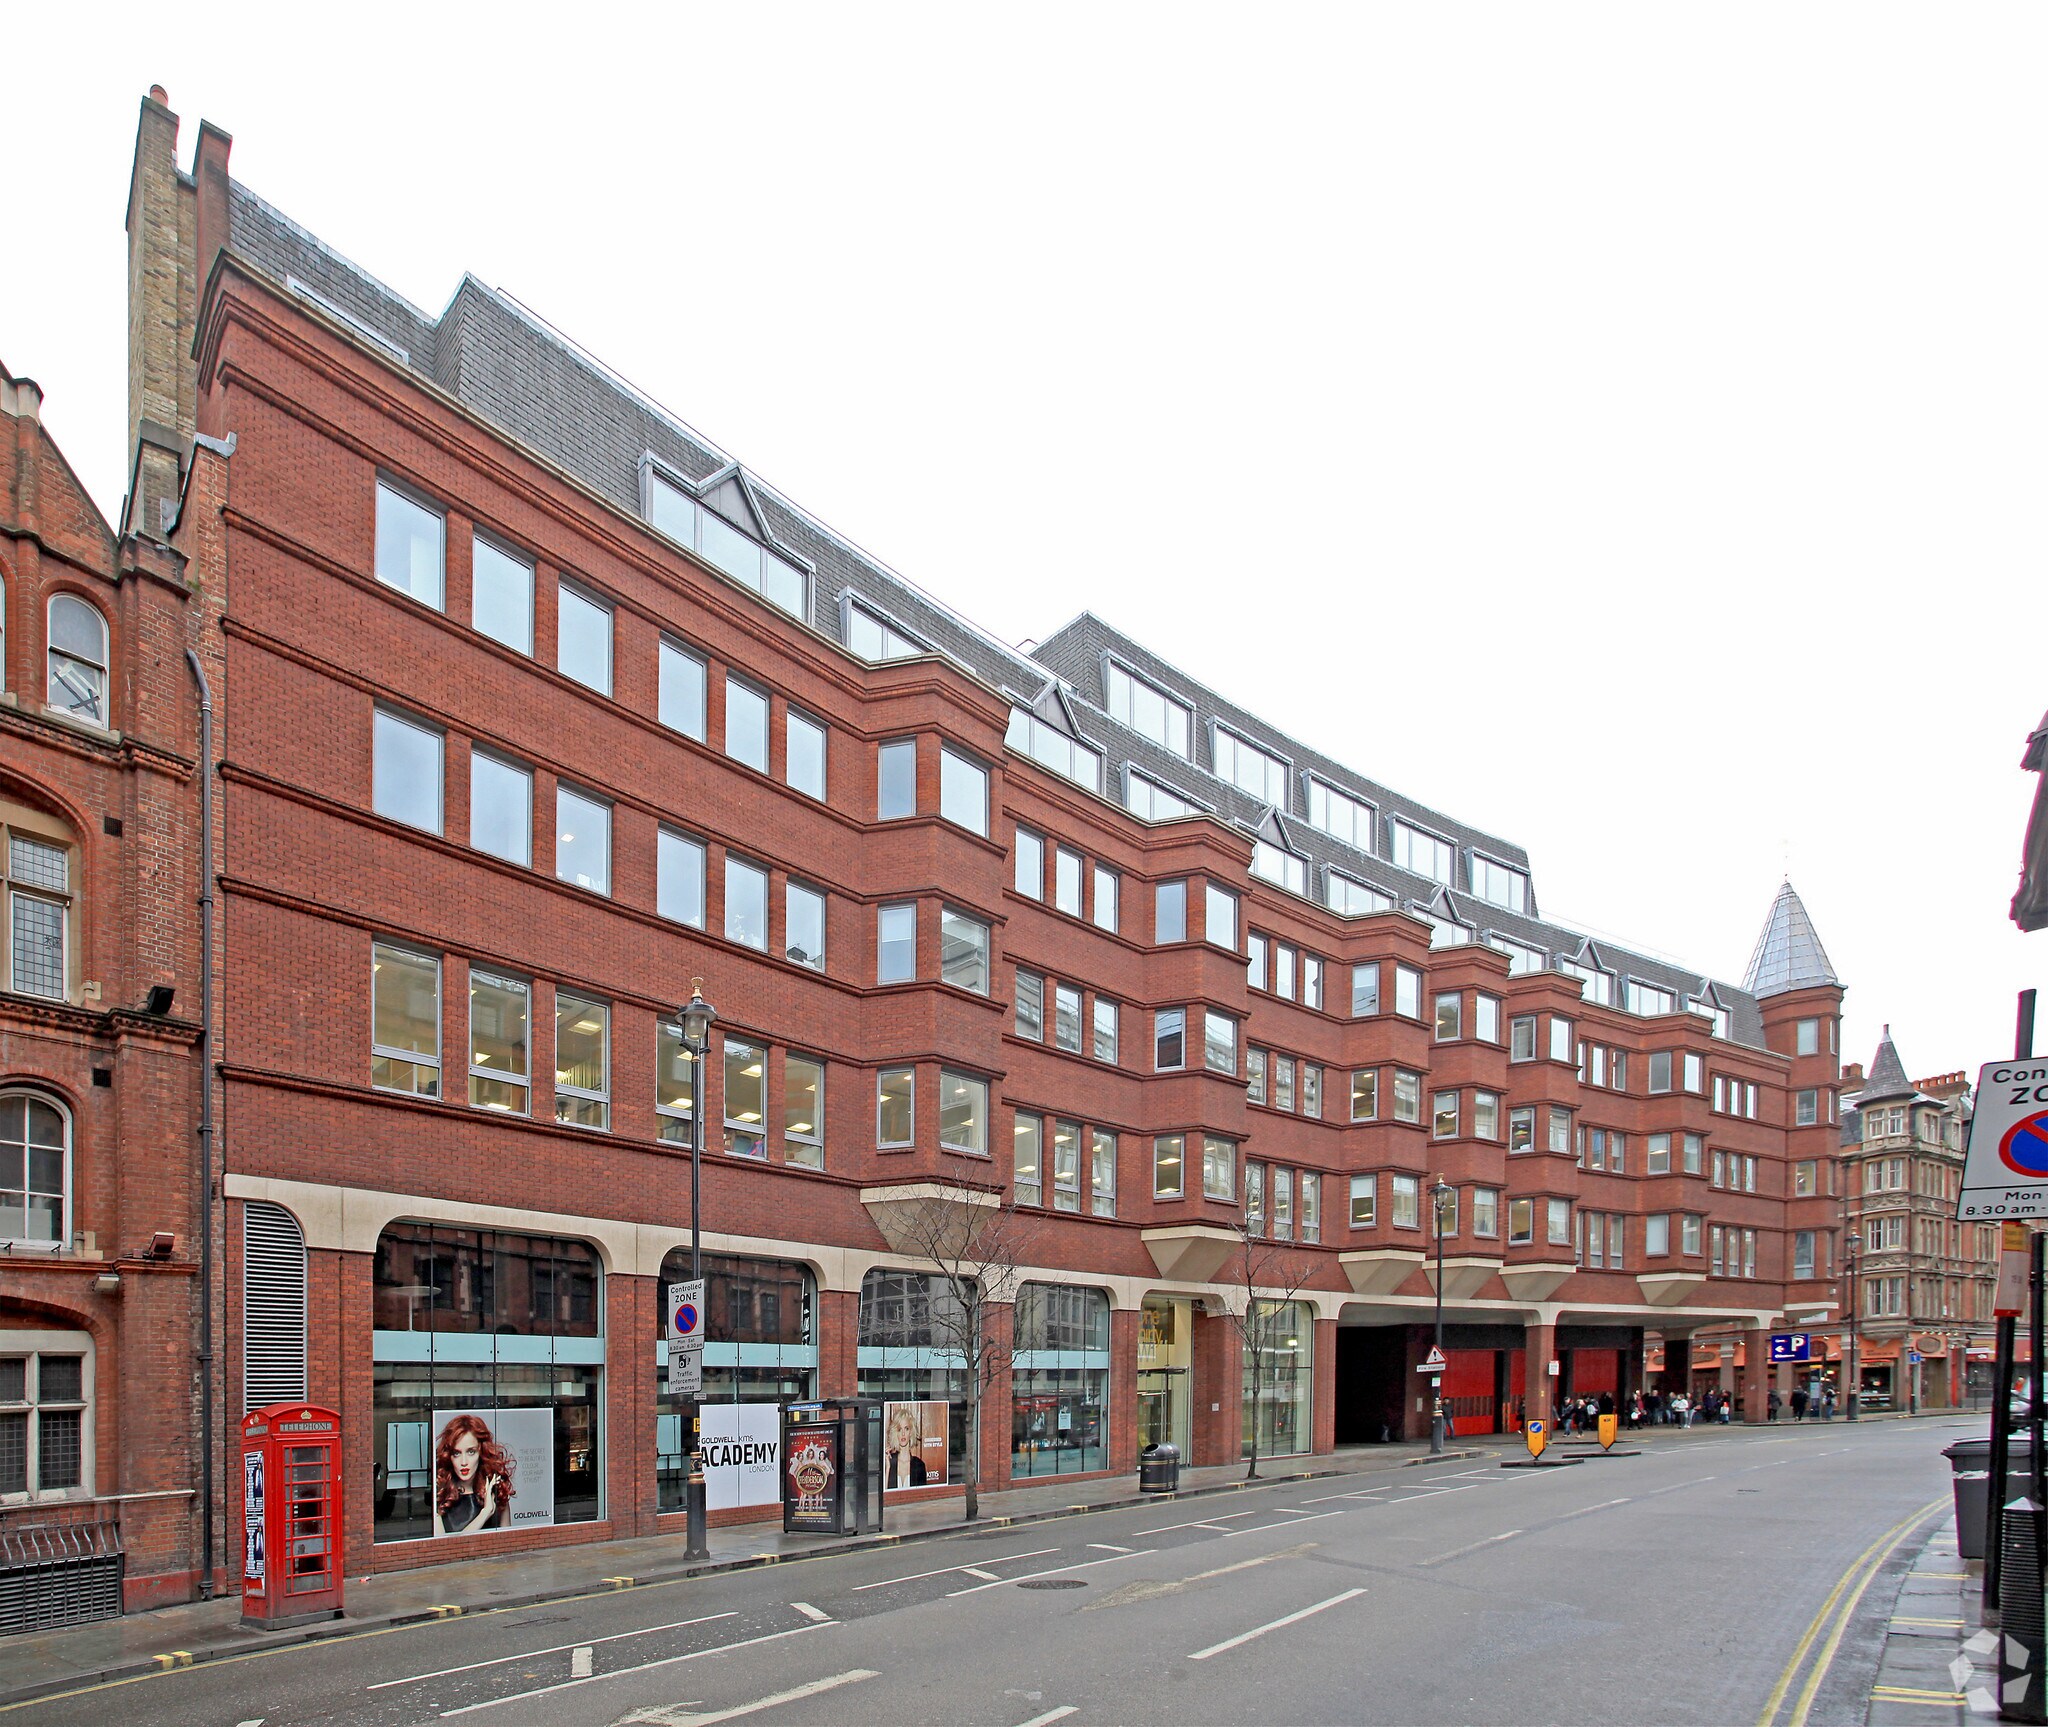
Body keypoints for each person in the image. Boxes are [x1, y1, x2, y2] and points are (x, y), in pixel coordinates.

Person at [434, 1412, 514, 1536]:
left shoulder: (496, 1493)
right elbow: (445, 1549)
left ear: (481, 1452)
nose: (464, 1462)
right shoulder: (440, 1495)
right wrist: (485, 1513)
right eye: (456, 1453)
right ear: (449, 1456)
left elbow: (507, 1545)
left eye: (471, 1452)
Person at [884, 1402, 928, 1489]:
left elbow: (922, 1498)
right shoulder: (889, 1462)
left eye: (906, 1429)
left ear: (911, 1432)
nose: (903, 1433)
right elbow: (883, 1496)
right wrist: (888, 1468)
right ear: (895, 1433)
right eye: (899, 1429)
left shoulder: (919, 1465)